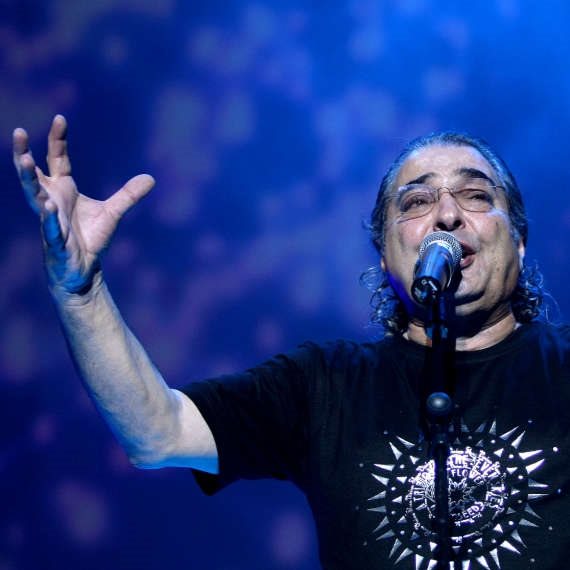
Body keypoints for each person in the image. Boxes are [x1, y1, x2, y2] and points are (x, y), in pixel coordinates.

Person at [13, 116, 570, 570]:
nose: (447, 215)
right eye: (417, 202)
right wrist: (80, 290)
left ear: (518, 240)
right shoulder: (325, 383)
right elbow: (157, 432)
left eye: (475, 195)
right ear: (385, 254)